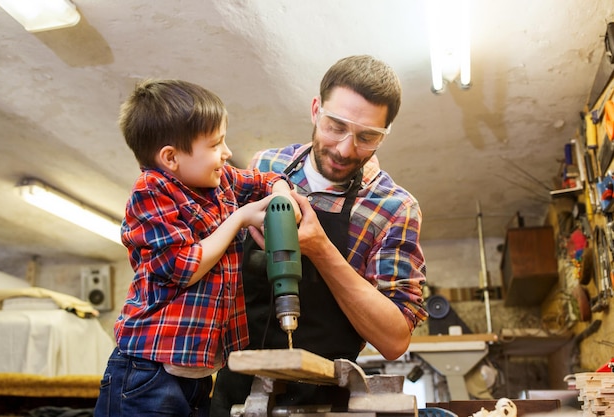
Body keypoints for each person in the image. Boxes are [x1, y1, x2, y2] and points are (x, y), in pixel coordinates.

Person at [211, 55, 428, 414]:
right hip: (236, 389)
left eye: (367, 136)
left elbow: (394, 340)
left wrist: (321, 250)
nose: (345, 148)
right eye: (336, 126)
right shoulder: (265, 167)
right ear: (316, 109)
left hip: (325, 399)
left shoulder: (395, 208)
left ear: (385, 134)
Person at [93, 79, 299, 417]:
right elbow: (182, 267)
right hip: (148, 371)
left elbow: (264, 180)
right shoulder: (151, 191)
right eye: (216, 144)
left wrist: (279, 192)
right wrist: (239, 219)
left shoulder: (221, 182)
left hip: (198, 374)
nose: (227, 152)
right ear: (171, 157)